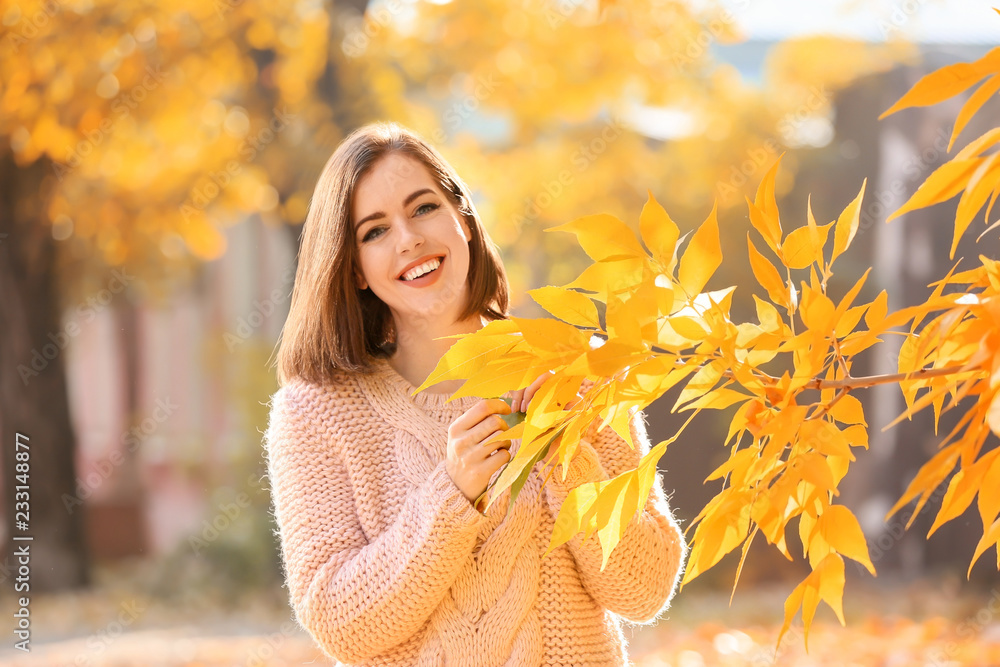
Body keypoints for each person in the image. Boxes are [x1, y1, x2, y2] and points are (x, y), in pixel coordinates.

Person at [264, 120, 687, 667]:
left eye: (423, 208)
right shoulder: (315, 413)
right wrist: (452, 497)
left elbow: (644, 590)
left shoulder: (576, 373)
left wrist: (568, 460)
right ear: (357, 270)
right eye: (374, 231)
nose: (409, 239)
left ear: (463, 217)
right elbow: (341, 622)